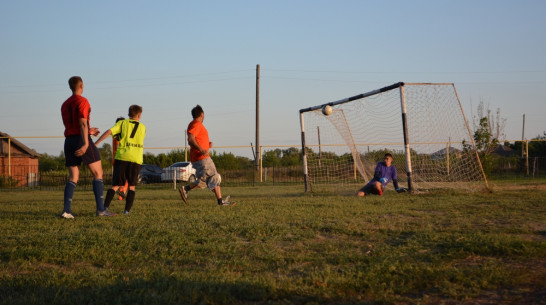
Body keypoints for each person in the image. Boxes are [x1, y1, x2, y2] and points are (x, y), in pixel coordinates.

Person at [60, 76, 116, 218]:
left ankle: (66, 211)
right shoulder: (83, 101)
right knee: (98, 173)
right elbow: (82, 123)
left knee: (73, 176)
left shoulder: (64, 104)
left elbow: (73, 125)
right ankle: (101, 210)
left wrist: (89, 130)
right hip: (81, 139)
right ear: (82, 86)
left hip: (69, 140)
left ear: (70, 87)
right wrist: (85, 143)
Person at [178, 105, 235, 206]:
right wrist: (201, 149)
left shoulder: (194, 124)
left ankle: (186, 189)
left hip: (199, 157)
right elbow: (191, 139)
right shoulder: (196, 124)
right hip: (202, 158)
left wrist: (207, 145)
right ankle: (220, 202)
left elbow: (196, 139)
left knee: (206, 181)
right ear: (202, 114)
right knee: (214, 177)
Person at [95, 105, 146, 215]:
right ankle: (126, 211)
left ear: (128, 114)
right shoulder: (143, 127)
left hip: (122, 157)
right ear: (139, 115)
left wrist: (97, 143)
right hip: (136, 158)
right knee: (132, 187)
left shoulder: (122, 123)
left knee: (116, 185)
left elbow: (109, 132)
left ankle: (104, 208)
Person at [112, 116, 129, 200]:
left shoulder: (115, 134)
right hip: (121, 158)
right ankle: (122, 192)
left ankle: (121, 194)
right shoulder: (120, 135)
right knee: (126, 177)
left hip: (115, 158)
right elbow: (118, 146)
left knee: (121, 178)